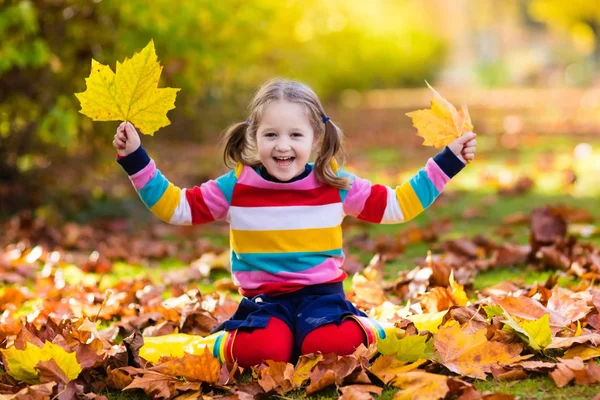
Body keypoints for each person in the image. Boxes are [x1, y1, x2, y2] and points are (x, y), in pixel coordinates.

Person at [113, 78, 477, 368]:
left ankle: (368, 328)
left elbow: (396, 205)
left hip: (322, 299)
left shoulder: (334, 184)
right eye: (271, 134)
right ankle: (218, 342)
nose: (282, 146)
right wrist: (135, 159)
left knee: (330, 346)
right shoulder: (237, 186)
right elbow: (176, 207)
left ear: (315, 139)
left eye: (295, 135)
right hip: (263, 303)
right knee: (264, 351)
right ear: (254, 137)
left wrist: (446, 163)